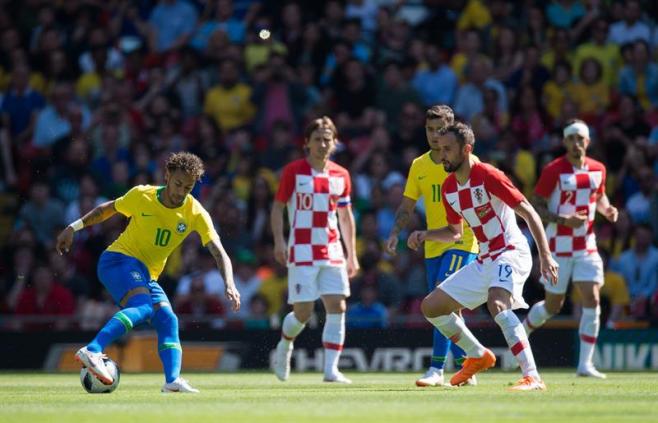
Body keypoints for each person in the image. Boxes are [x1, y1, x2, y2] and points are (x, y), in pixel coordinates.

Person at [55, 152, 241, 393]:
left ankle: (172, 381)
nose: (181, 191)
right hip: (118, 260)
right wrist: (74, 227)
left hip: (146, 275)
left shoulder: (195, 212)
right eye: (177, 184)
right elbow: (107, 210)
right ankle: (93, 349)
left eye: (188, 187)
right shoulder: (143, 195)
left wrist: (230, 283)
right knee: (143, 308)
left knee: (167, 319)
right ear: (167, 176)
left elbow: (219, 253)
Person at [407, 122, 558, 391]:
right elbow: (455, 233)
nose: (442, 155)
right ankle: (477, 355)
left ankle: (532, 376)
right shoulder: (448, 188)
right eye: (440, 149)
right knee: (431, 307)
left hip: (511, 251)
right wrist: (425, 234)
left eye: (448, 149)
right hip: (485, 258)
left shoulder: (489, 174)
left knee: (497, 303)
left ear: (466, 150)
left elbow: (529, 211)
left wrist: (545, 255)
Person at [385, 105, 479, 387]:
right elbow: (408, 204)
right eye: (430, 129)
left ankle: (437, 369)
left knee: (438, 303)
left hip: (462, 241)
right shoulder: (420, 165)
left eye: (441, 129)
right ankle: (467, 364)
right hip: (434, 246)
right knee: (448, 309)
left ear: (451, 128)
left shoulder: (465, 160)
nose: (435, 136)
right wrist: (394, 233)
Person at [523, 119, 618, 379]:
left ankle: (585, 365)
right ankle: (523, 331)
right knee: (553, 306)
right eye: (571, 138)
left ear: (588, 141)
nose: (576, 143)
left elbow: (599, 197)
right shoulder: (553, 170)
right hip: (557, 248)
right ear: (565, 142)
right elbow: (536, 207)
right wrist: (565, 220)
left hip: (587, 245)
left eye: (581, 138)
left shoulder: (599, 169)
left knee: (593, 298)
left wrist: (606, 209)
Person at [271, 116, 359, 383]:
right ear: (306, 143)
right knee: (303, 312)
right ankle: (285, 346)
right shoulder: (293, 172)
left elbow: (345, 217)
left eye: (327, 139)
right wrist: (279, 241)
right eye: (317, 139)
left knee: (338, 305)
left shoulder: (341, 175)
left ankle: (331, 370)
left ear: (334, 143)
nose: (323, 144)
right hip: (302, 251)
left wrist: (351, 253)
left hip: (332, 250)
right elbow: (277, 208)